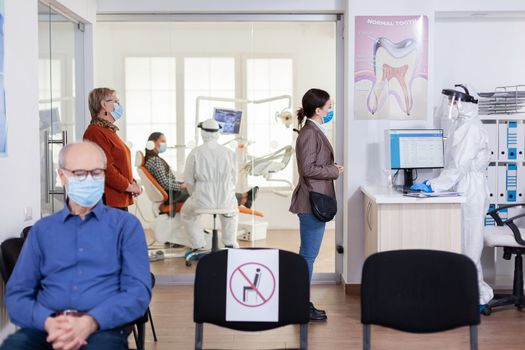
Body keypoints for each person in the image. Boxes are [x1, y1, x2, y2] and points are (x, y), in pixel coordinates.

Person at [0, 141, 151, 350]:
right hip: (46, 329)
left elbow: (138, 292)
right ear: (62, 176)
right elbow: (17, 294)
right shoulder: (42, 231)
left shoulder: (126, 227)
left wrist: (90, 322)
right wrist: (48, 322)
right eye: (80, 173)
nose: (89, 179)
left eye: (97, 172)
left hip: (101, 329)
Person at [411, 84, 494, 311]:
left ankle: (477, 297)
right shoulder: (462, 125)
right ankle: (465, 291)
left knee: (469, 244)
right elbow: (454, 166)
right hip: (463, 187)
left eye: (453, 101)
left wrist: (432, 185)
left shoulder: (470, 128)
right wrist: (435, 184)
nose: (450, 105)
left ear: (466, 103)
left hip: (470, 189)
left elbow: (459, 166)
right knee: (460, 242)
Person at [289, 88, 343, 321]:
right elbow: (308, 169)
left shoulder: (314, 130)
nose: (330, 110)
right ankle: (300, 304)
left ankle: (300, 302)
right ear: (318, 110)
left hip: (315, 199)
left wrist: (331, 168)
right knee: (308, 257)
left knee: (307, 255)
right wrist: (334, 170)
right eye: (329, 107)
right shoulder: (310, 133)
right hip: (311, 201)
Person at [144, 132, 258, 215]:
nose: (165, 144)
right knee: (208, 191)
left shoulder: (153, 159)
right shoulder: (154, 161)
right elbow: (165, 184)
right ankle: (243, 198)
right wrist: (182, 185)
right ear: (152, 143)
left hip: (173, 192)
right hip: (173, 195)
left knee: (208, 189)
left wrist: (182, 183)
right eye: (162, 141)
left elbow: (165, 181)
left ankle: (243, 197)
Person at [181, 119, 240, 250]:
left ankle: (199, 245)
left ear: (203, 133)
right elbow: (234, 179)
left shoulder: (195, 152)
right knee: (231, 213)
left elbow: (189, 180)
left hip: (202, 200)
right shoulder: (230, 153)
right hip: (226, 200)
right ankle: (229, 243)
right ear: (218, 133)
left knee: (186, 215)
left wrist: (194, 195)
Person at [83, 88, 142, 211]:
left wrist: (131, 182)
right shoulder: (94, 132)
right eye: (116, 101)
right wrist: (129, 187)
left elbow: (118, 164)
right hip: (106, 201)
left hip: (116, 199)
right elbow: (106, 169)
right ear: (104, 105)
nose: (119, 105)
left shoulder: (108, 130)